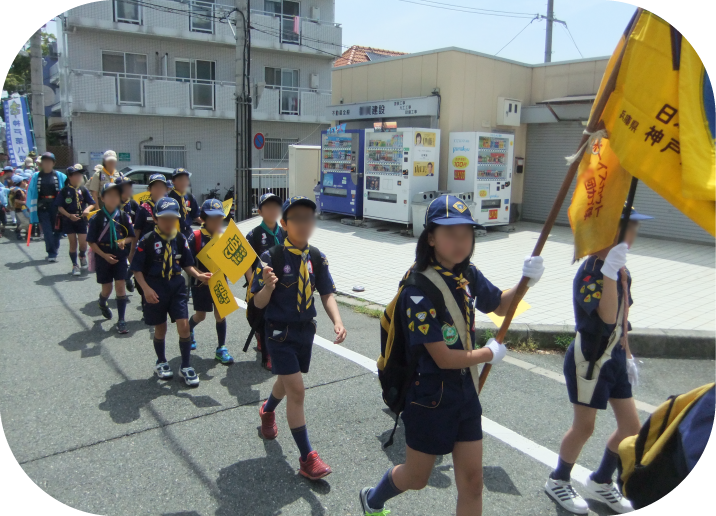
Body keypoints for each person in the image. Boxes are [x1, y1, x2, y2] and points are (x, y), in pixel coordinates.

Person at [359, 194, 546, 516]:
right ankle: (373, 498)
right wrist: (487, 353)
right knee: (416, 478)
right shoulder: (417, 290)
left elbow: (501, 306)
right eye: (450, 233)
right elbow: (443, 358)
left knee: (473, 483)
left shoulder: (467, 273)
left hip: (465, 393)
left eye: (466, 233)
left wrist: (526, 281)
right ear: (431, 237)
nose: (460, 241)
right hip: (429, 397)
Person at [544, 205, 653, 515]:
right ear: (610, 231)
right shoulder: (592, 270)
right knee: (584, 427)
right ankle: (558, 479)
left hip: (614, 356)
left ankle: (601, 480)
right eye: (628, 226)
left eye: (635, 226)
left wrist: (628, 355)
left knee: (631, 427)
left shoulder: (622, 270)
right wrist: (608, 274)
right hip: (589, 358)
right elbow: (604, 317)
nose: (634, 233)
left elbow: (621, 318)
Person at [251, 196, 347, 481]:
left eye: (309, 218)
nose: (305, 224)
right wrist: (268, 287)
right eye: (297, 219)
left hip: (305, 332)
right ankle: (307, 458)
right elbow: (258, 302)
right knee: (297, 390)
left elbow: (326, 293)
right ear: (284, 223)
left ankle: (267, 410)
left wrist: (337, 321)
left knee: (286, 380)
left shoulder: (316, 257)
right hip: (279, 332)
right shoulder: (271, 258)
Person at [130, 197, 212, 386]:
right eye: (164, 218)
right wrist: (146, 289)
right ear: (155, 219)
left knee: (184, 326)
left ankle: (185, 365)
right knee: (161, 328)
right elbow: (136, 269)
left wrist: (199, 275)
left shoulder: (180, 238)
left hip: (176, 286)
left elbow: (187, 264)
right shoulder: (147, 240)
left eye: (172, 218)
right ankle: (161, 361)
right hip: (155, 287)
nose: (168, 222)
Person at [186, 199, 234, 364]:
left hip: (220, 282)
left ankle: (221, 348)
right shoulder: (195, 237)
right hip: (200, 284)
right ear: (203, 218)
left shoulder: (224, 236)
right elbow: (187, 263)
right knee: (201, 316)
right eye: (212, 218)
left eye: (219, 218)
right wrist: (199, 275)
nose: (216, 222)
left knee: (221, 314)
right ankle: (189, 329)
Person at [87, 182, 136, 334]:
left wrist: (124, 241)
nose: (113, 198)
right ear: (102, 198)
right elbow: (91, 241)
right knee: (107, 288)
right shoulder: (96, 218)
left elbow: (131, 236)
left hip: (119, 255)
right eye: (109, 195)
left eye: (116, 195)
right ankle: (102, 302)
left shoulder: (123, 216)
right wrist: (104, 255)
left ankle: (121, 320)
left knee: (120, 285)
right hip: (103, 255)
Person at [244, 192, 285, 370]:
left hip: (281, 282)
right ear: (260, 212)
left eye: (276, 206)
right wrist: (251, 283)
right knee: (261, 316)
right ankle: (265, 347)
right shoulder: (253, 234)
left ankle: (271, 349)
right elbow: (246, 261)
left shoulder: (284, 232)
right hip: (260, 283)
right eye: (268, 207)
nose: (272, 210)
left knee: (276, 317)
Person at [131, 174, 170, 306]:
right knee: (146, 276)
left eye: (161, 187)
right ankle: (146, 302)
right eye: (155, 187)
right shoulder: (144, 208)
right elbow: (137, 230)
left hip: (166, 246)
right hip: (147, 249)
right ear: (149, 189)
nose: (159, 190)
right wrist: (132, 251)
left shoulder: (170, 206)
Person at [54, 165, 95, 275]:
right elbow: (60, 207)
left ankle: (82, 255)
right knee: (73, 243)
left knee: (83, 244)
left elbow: (92, 203)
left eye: (80, 175)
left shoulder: (83, 189)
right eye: (76, 175)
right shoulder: (64, 191)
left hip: (81, 220)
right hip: (68, 220)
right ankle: (75, 265)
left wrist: (87, 210)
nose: (79, 177)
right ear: (70, 177)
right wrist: (69, 215)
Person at [27, 152, 67, 262]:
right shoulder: (36, 177)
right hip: (42, 206)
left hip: (56, 206)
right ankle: (51, 253)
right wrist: (30, 206)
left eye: (49, 161)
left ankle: (54, 248)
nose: (47, 164)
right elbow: (30, 191)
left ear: (53, 163)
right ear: (41, 164)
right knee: (47, 230)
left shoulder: (61, 176)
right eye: (44, 162)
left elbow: (67, 190)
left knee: (58, 230)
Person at [117, 176, 140, 292]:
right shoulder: (113, 204)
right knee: (119, 265)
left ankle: (128, 277)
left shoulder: (133, 204)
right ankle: (121, 292)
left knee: (135, 261)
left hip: (131, 238)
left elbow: (139, 221)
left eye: (129, 187)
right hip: (117, 239)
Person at [168, 168, 201, 239]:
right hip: (173, 234)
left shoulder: (190, 196)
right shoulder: (169, 198)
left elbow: (196, 215)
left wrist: (207, 224)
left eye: (186, 180)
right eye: (180, 180)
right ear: (173, 181)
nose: (183, 182)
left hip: (188, 233)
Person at [10, 175, 30, 240]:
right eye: (23, 181)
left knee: (28, 221)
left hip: (25, 208)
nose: (25, 182)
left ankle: (27, 235)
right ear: (21, 182)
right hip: (19, 209)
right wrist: (24, 202)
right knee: (26, 222)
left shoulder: (21, 190)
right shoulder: (18, 191)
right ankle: (18, 230)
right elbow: (16, 200)